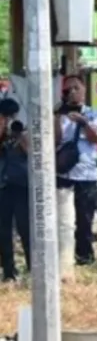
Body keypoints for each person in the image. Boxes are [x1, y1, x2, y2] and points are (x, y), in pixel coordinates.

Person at [55, 74, 97, 265]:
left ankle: (84, 257)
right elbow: (56, 140)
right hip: (63, 171)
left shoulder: (93, 113)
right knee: (64, 220)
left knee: (85, 218)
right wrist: (57, 116)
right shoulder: (60, 114)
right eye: (68, 90)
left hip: (86, 173)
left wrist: (83, 122)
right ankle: (64, 258)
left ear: (84, 89)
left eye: (76, 88)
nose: (73, 92)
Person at [0, 98, 30, 281]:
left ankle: (32, 268)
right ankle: (9, 272)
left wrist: (20, 135)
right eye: (5, 116)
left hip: (21, 185)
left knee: (25, 228)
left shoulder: (21, 130)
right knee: (3, 231)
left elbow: (30, 152)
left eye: (12, 115)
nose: (10, 119)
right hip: (2, 186)